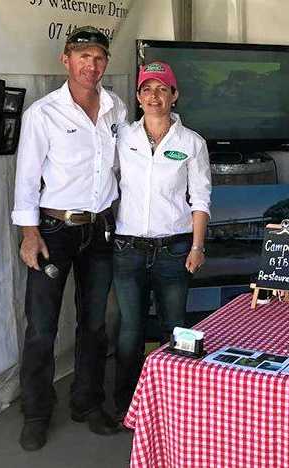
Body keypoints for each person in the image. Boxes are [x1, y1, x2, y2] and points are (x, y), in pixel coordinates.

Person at [12, 26, 126, 451]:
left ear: (105, 62)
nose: (90, 65)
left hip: (101, 229)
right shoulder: (43, 113)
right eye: (82, 56)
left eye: (98, 57)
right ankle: (37, 411)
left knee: (94, 325)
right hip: (54, 231)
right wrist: (29, 234)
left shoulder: (115, 107)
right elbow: (25, 179)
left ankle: (87, 402)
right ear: (65, 60)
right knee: (41, 327)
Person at [112, 61, 211, 420]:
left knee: (175, 325)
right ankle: (125, 406)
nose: (154, 96)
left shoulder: (192, 143)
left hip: (175, 249)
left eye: (162, 89)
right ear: (138, 97)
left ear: (175, 95)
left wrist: (198, 246)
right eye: (147, 90)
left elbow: (200, 198)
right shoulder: (123, 137)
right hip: (128, 248)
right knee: (130, 330)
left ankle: (172, 407)